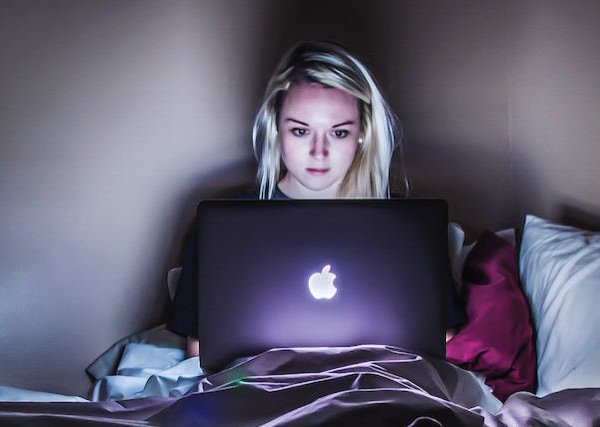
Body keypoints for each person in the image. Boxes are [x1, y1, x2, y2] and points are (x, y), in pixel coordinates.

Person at [167, 41, 467, 358]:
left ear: (362, 133)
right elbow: (200, 349)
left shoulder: (407, 226)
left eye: (338, 133)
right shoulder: (223, 228)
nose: (319, 152)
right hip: (263, 392)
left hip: (374, 386)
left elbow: (440, 337)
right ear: (275, 127)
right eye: (300, 131)